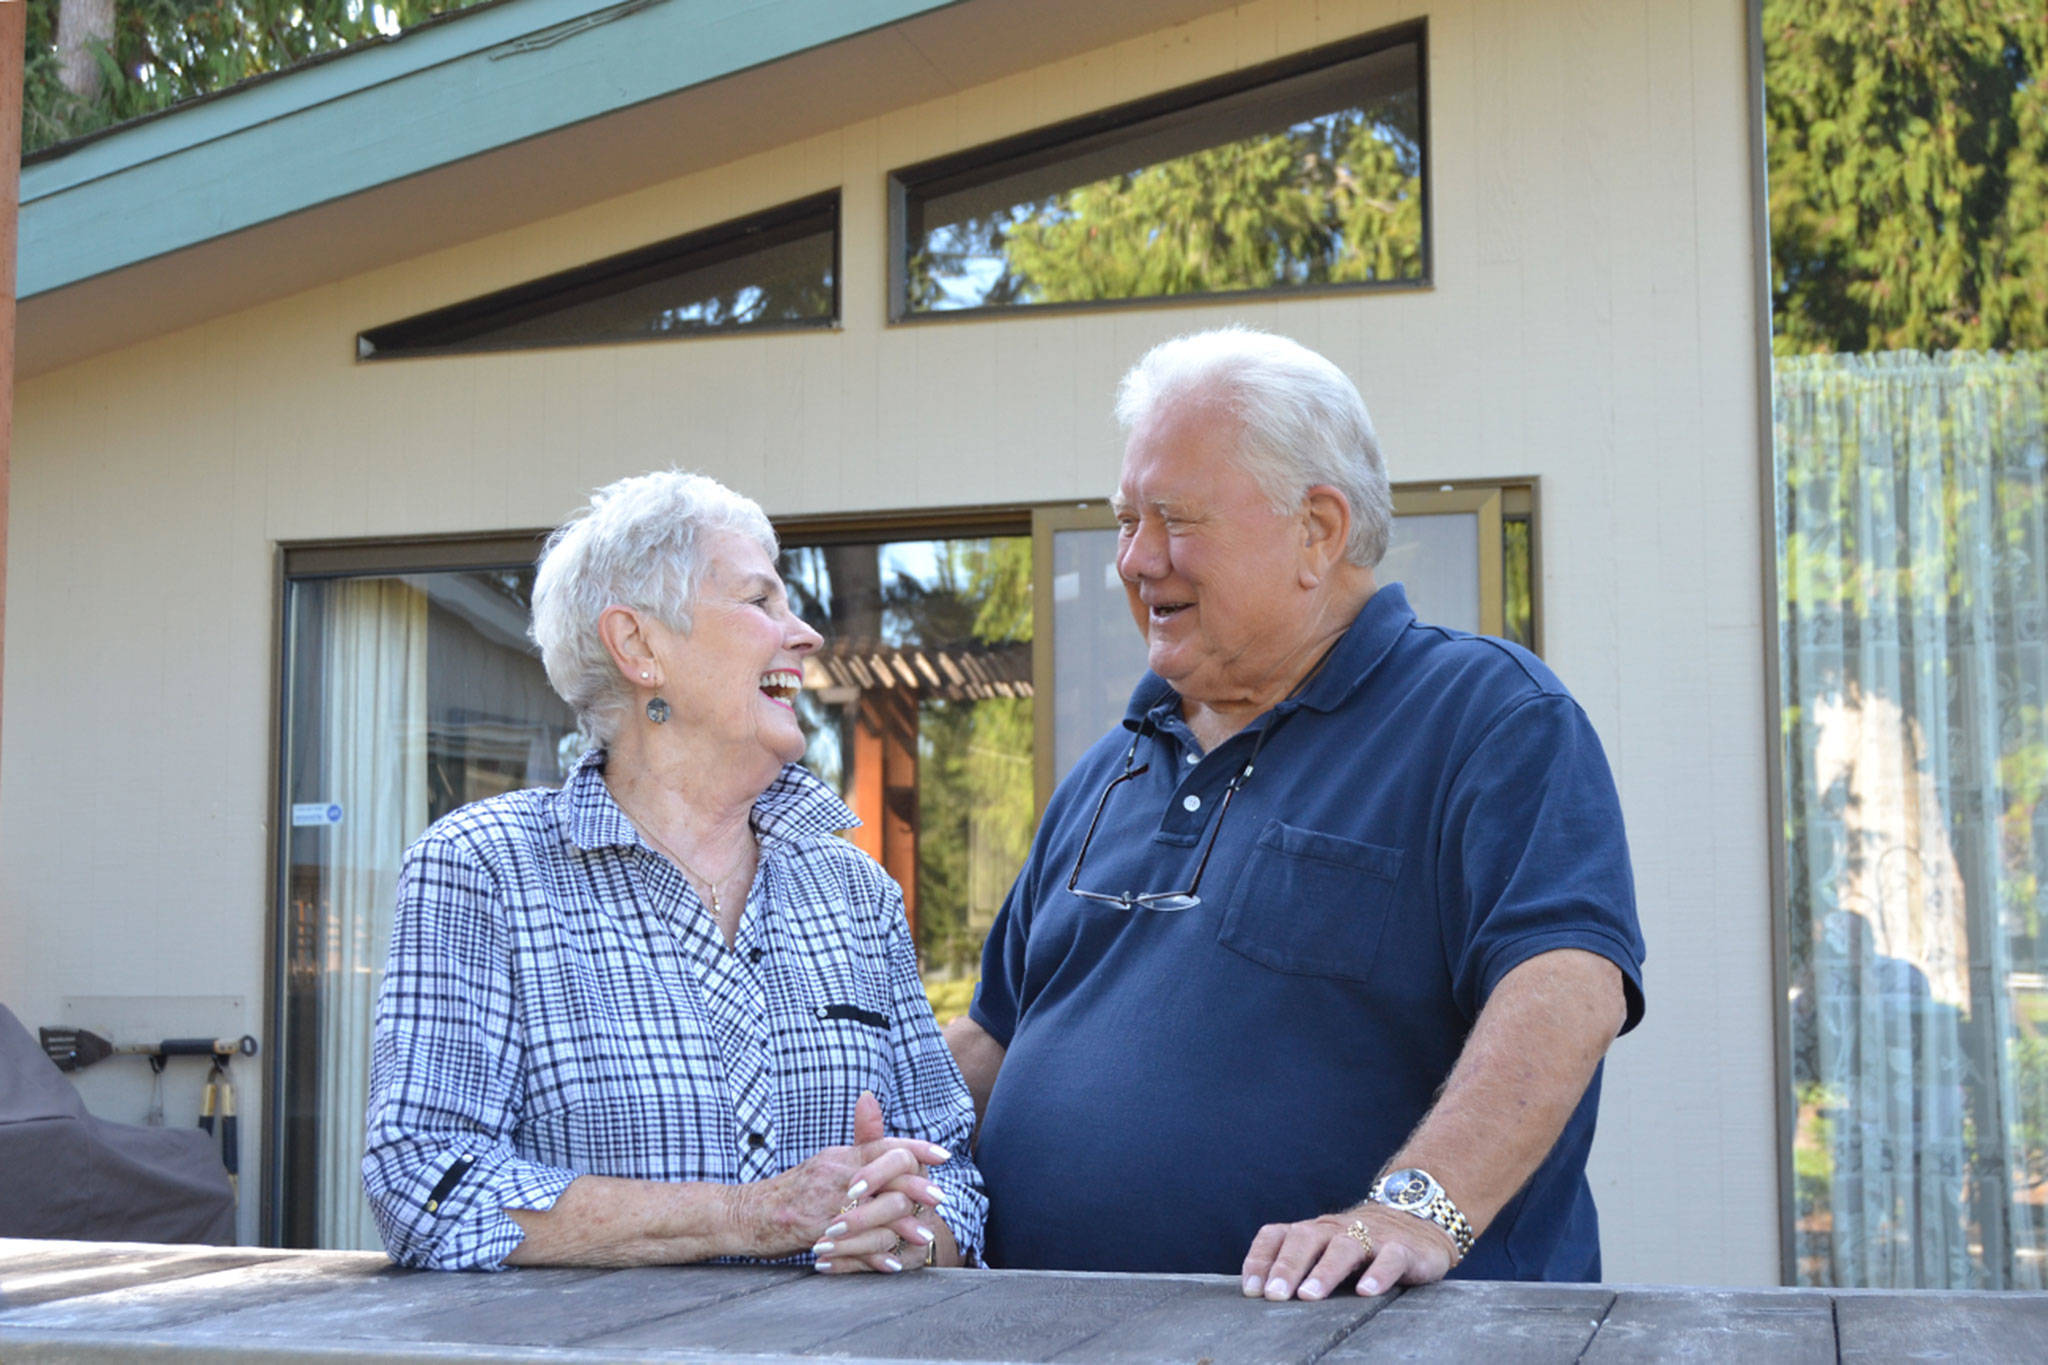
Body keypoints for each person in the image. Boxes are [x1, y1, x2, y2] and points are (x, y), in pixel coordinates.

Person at [946, 328, 1644, 1299]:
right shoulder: (1111, 768)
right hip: (1055, 1338)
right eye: (1122, 521)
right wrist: (871, 1155)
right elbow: (994, 1037)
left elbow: (1568, 987)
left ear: (1317, 528)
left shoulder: (1486, 717)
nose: (1136, 560)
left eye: (1173, 520)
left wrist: (1412, 1212)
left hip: (1370, 1342)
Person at [363, 470, 984, 1272]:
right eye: (761, 601)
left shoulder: (855, 891)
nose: (804, 634)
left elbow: (957, 1176)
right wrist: (748, 1215)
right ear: (639, 646)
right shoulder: (484, 868)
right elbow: (427, 1185)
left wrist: (906, 1231)